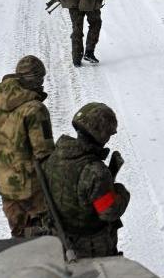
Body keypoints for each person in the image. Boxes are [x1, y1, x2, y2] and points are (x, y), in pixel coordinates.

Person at [42, 102, 130, 258]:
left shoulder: (55, 156)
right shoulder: (96, 172)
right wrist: (121, 191)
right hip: (90, 249)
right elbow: (109, 212)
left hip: (58, 241)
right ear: (102, 135)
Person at [0, 55, 55, 238]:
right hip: (33, 191)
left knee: (18, 239)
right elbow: (44, 154)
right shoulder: (35, 109)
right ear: (37, 80)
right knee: (43, 241)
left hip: (5, 184)